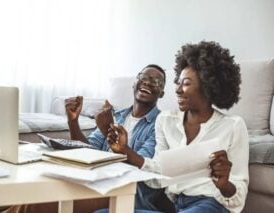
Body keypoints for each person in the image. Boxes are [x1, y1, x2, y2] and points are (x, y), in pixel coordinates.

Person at [106, 41, 249, 213]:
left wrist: (224, 184)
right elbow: (158, 178)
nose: (178, 90)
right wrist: (125, 151)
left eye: (186, 83)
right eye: (178, 83)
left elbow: (238, 197)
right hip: (175, 206)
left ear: (208, 86)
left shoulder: (233, 126)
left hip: (212, 205)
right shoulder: (166, 120)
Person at [65, 64, 174, 212]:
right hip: (94, 185)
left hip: (126, 196)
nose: (148, 82)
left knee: (41, 204)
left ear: (161, 93)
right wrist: (73, 122)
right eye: (144, 77)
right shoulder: (116, 115)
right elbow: (86, 151)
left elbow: (140, 172)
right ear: (134, 82)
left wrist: (107, 131)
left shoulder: (160, 124)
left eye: (156, 82)